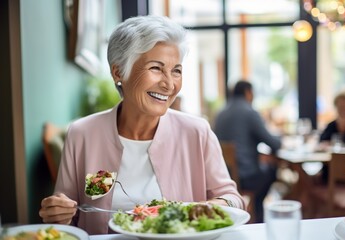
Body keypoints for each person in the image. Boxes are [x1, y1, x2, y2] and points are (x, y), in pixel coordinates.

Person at [39, 15, 245, 235]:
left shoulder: (197, 132)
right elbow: (66, 218)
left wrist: (212, 207)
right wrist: (57, 212)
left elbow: (234, 200)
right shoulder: (83, 134)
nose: (169, 84)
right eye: (156, 68)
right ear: (118, 72)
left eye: (176, 70)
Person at [214, 80, 281, 223]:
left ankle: (253, 209)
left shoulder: (220, 113)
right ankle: (257, 209)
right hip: (246, 177)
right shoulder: (250, 112)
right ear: (248, 93)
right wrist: (280, 138)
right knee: (272, 169)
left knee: (264, 165)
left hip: (224, 177)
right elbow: (273, 143)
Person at [318, 89, 345, 182]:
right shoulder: (331, 126)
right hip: (329, 173)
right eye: (340, 107)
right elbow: (320, 144)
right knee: (303, 181)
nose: (343, 110)